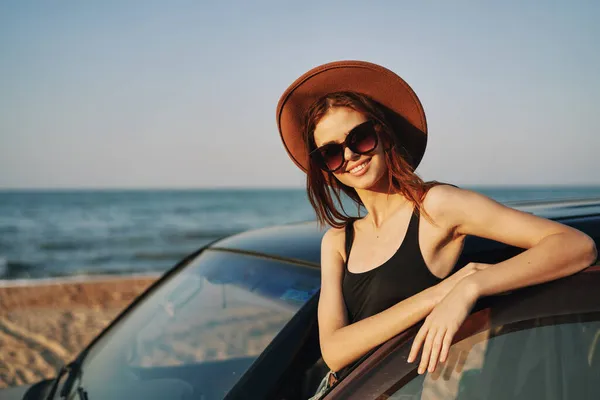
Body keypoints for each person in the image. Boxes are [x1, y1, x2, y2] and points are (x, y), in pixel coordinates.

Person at [275, 60, 597, 398]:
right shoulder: (338, 242)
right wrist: (443, 293)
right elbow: (336, 351)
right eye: (331, 152)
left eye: (360, 137)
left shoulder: (437, 206)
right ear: (326, 169)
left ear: (382, 134)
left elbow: (575, 245)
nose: (351, 154)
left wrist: (471, 287)